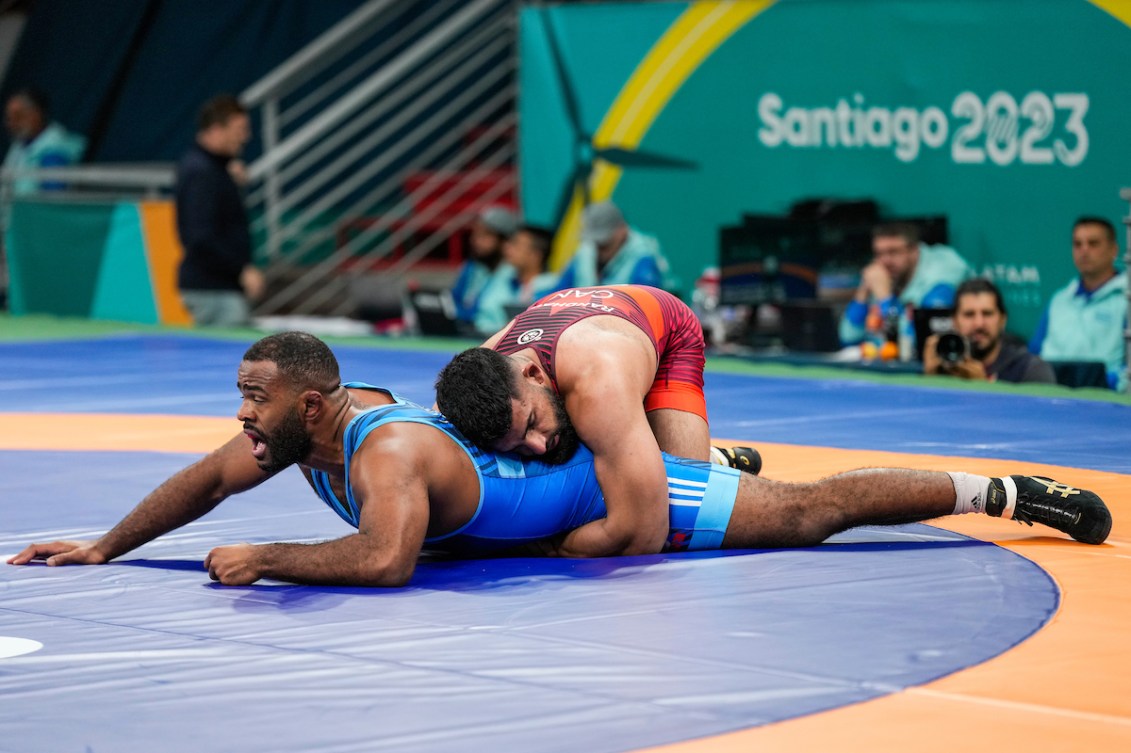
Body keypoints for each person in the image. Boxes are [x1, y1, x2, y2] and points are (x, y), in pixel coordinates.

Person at [7, 332, 1111, 587]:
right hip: (551, 485)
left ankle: (1008, 488)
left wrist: (267, 557)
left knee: (811, 512)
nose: (240, 421)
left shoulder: (382, 451)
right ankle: (719, 459)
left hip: (619, 494)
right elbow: (206, 481)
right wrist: (108, 544)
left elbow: (386, 561)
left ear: (309, 402)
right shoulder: (302, 425)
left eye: (252, 401)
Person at [433, 285, 775, 559]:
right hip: (562, 312)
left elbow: (643, 534)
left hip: (661, 323)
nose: (537, 445)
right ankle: (639, 447)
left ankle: (713, 459)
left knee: (684, 504)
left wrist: (547, 547)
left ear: (534, 374)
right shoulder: (455, 406)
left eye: (533, 422)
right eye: (517, 446)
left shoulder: (598, 383)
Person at [174, 93, 264, 327]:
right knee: (227, 360)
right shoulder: (202, 173)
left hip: (218, 287)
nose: (246, 137)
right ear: (216, 129)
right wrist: (241, 269)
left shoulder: (215, 168)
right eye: (239, 129)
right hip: (212, 288)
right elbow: (200, 236)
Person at [1029, 217, 1128, 390]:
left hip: (1106, 399)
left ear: (1114, 249)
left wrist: (1114, 382)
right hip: (1050, 395)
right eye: (1077, 244)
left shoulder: (1126, 299)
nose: (1084, 250)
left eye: (1093, 243)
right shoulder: (1059, 299)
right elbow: (1034, 353)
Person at [839, 222, 973, 345]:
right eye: (879, 254)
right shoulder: (884, 277)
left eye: (893, 252)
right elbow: (848, 337)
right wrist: (863, 292)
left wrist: (885, 299)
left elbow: (917, 342)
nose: (885, 261)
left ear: (914, 250)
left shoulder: (941, 272)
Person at [922, 278, 1055, 384]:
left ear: (1003, 320)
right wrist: (931, 380)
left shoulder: (1029, 369)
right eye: (969, 314)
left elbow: (1040, 416)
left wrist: (983, 387)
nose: (979, 324)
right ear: (954, 321)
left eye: (987, 314)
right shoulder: (944, 367)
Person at [556, 201, 674, 290]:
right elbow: (559, 290)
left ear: (623, 230)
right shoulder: (585, 251)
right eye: (595, 242)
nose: (598, 249)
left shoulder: (644, 256)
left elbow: (646, 304)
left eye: (604, 242)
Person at [472, 224, 561, 334]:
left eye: (516, 244)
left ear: (535, 255)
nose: (507, 247)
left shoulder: (555, 289)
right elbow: (482, 317)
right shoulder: (502, 279)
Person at [2, 87, 86, 195]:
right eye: (9, 119)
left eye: (18, 117)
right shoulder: (20, 144)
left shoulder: (55, 150)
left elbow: (51, 199)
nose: (11, 124)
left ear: (37, 114)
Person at [450, 206, 517, 330]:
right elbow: (454, 302)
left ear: (504, 240)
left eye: (485, 235)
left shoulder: (515, 274)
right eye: (475, 234)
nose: (475, 241)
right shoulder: (472, 268)